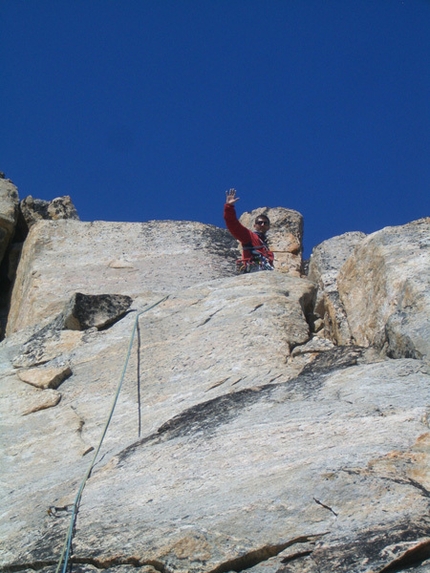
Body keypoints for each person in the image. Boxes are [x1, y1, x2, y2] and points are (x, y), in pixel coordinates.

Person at [224, 188, 274, 273]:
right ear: (254, 226)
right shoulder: (249, 237)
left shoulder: (264, 244)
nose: (262, 224)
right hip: (252, 271)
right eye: (260, 222)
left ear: (268, 227)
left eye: (265, 223)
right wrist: (229, 207)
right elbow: (233, 225)